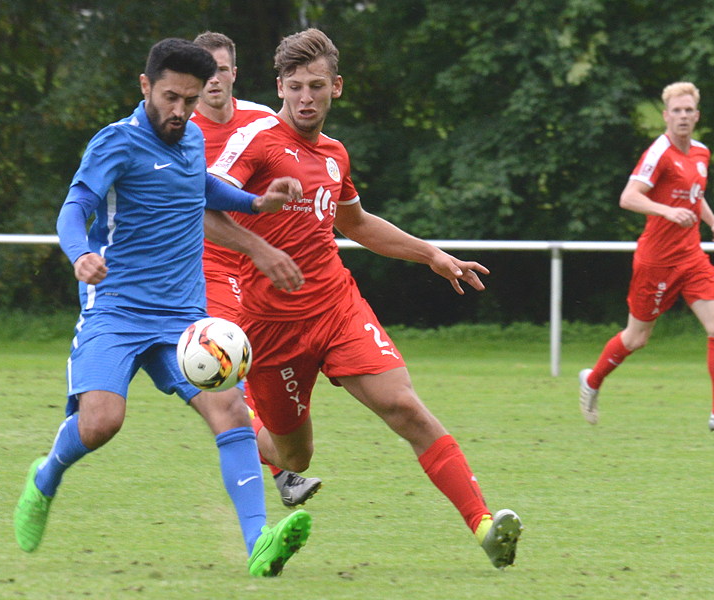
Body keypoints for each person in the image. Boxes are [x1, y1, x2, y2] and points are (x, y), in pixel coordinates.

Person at [209, 28, 522, 569]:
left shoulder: (334, 155)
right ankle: (244, 423)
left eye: (316, 86)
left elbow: (354, 223)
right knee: (294, 456)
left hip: (336, 309)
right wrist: (258, 247)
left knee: (405, 407)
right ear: (279, 87)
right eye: (295, 86)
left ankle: (485, 526)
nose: (306, 98)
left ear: (336, 87)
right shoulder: (256, 142)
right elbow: (200, 203)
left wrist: (430, 254)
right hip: (272, 328)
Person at [13, 37, 313, 578]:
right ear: (146, 86)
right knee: (101, 422)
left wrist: (255, 202)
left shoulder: (191, 137)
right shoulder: (116, 142)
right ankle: (45, 476)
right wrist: (80, 254)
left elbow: (201, 189)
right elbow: (74, 207)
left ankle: (258, 543)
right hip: (117, 309)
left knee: (229, 410)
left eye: (190, 100)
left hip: (183, 317)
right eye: (170, 97)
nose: (180, 111)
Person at [191, 30, 322, 508]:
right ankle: (284, 473)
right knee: (232, 363)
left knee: (260, 367)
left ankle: (283, 461)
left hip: (257, 265)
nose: (214, 80)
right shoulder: (178, 128)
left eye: (222, 70)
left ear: (235, 74)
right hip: (205, 263)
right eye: (205, 72)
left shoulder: (261, 120)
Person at [578, 81, 714, 434]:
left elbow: (694, 194)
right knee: (636, 338)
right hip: (656, 261)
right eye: (676, 111)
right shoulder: (659, 153)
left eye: (688, 110)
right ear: (666, 116)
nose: (683, 116)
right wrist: (667, 211)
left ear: (697, 115)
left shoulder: (701, 153)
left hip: (692, 257)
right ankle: (592, 380)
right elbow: (629, 197)